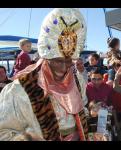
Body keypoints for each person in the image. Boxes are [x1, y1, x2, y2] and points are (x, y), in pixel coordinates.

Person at [0, 8, 88, 141]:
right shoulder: (19, 90)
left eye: (69, 61)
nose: (64, 68)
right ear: (46, 58)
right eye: (58, 61)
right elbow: (3, 132)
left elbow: (81, 111)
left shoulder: (78, 81)